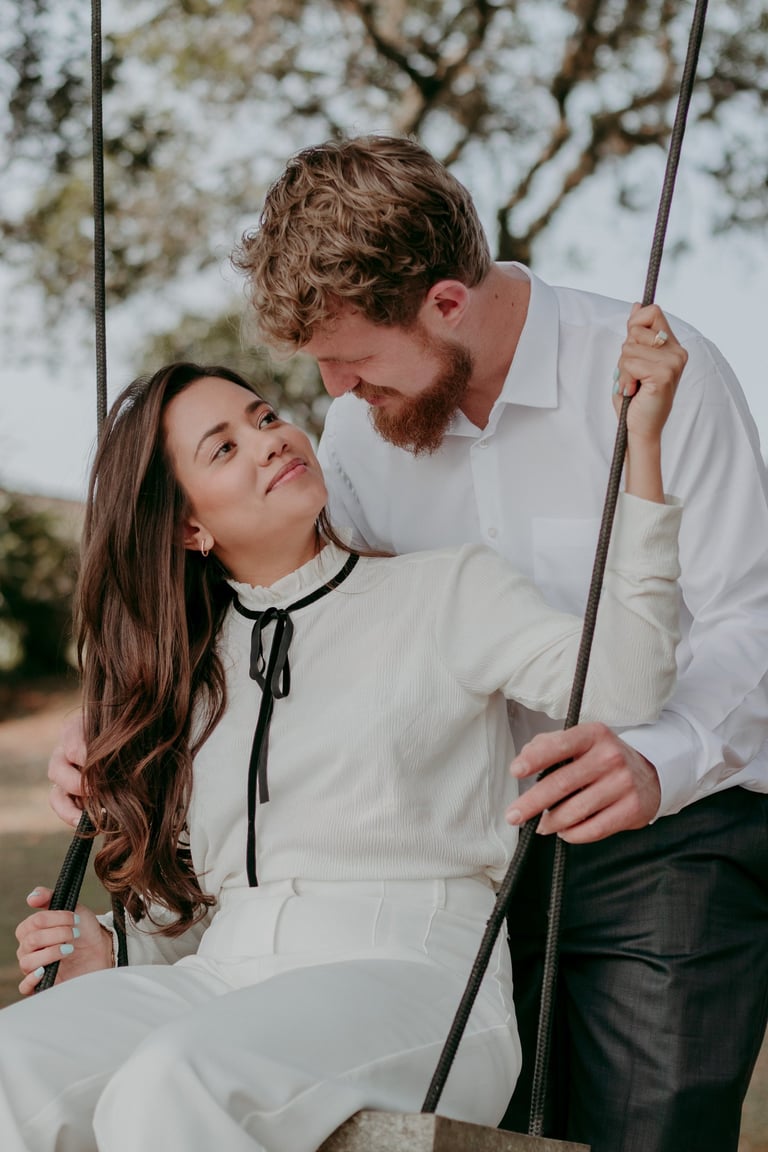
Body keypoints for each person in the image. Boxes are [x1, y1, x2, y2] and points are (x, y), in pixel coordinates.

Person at [3, 350, 683, 1152]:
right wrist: (117, 948)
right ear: (190, 527)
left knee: (174, 1082)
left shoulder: (446, 592)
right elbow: (206, 912)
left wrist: (644, 447)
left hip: (417, 979)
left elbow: (629, 679)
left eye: (264, 417)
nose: (270, 440)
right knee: (14, 1067)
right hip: (222, 981)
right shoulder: (186, 677)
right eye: (224, 448)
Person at [231, 136, 768, 1152]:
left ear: (445, 303)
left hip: (672, 840)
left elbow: (753, 615)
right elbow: (323, 621)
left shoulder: (661, 376)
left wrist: (657, 761)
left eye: (353, 357)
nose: (336, 389)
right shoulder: (357, 435)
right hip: (467, 868)